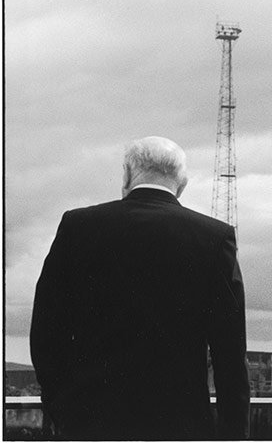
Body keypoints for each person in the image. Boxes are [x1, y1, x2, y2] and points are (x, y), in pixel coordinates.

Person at [30, 136, 250, 440]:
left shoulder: (77, 226)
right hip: (180, 425)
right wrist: (233, 433)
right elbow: (230, 352)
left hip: (90, 424)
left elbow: (45, 332)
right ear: (182, 184)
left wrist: (61, 409)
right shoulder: (214, 238)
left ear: (126, 175)